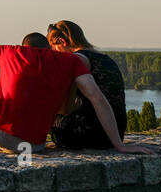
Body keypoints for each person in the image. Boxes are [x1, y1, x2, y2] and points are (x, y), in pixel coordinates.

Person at [0, 33, 150, 154]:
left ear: (24, 46)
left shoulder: (11, 52)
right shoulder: (70, 62)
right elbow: (97, 98)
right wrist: (119, 145)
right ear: (48, 48)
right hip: (35, 145)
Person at [46, 19, 128, 149]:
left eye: (54, 48)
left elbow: (97, 99)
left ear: (62, 42)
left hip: (89, 135)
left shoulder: (77, 59)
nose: (56, 54)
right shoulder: (103, 57)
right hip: (113, 133)